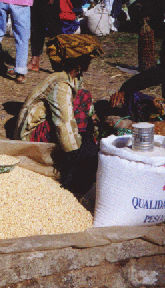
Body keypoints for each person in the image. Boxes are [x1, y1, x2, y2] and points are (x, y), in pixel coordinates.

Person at [14, 35, 103, 195]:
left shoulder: (75, 80)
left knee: (84, 97)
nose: (90, 62)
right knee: (79, 143)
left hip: (54, 123)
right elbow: (63, 121)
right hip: (31, 135)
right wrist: (76, 154)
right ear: (78, 62)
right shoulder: (61, 84)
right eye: (87, 59)